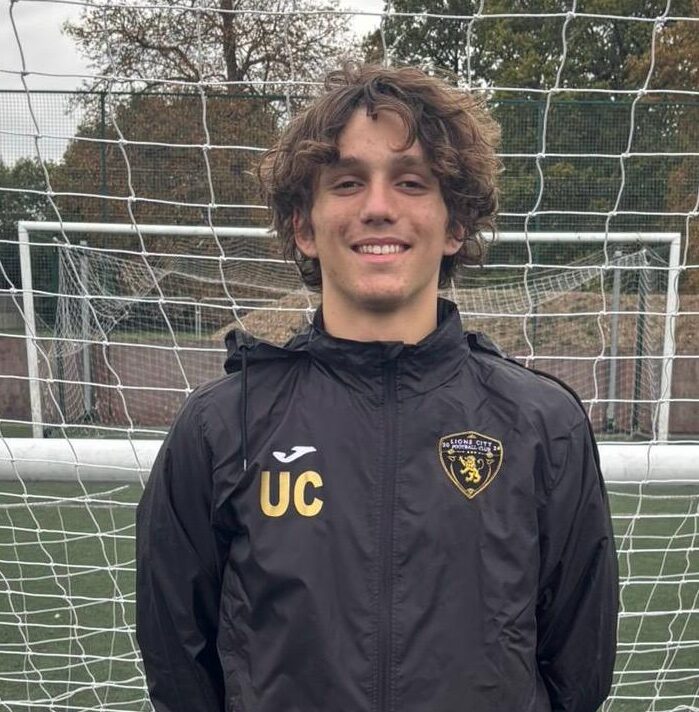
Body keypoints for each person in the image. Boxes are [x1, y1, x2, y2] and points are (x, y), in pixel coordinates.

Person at [136, 63, 618, 712]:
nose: (378, 206)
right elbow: (178, 662)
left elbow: (577, 667)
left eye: (411, 181)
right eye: (346, 182)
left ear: (455, 224)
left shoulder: (543, 424)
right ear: (303, 226)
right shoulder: (222, 427)